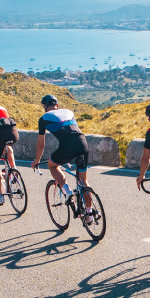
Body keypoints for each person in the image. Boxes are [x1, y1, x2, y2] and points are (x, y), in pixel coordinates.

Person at [31, 94, 94, 223]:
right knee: (84, 181)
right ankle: (90, 213)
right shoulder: (69, 112)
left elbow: (41, 144)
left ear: (45, 106)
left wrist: (37, 160)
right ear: (57, 105)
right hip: (83, 143)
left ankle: (67, 192)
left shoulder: (43, 118)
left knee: (52, 165)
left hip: (67, 146)